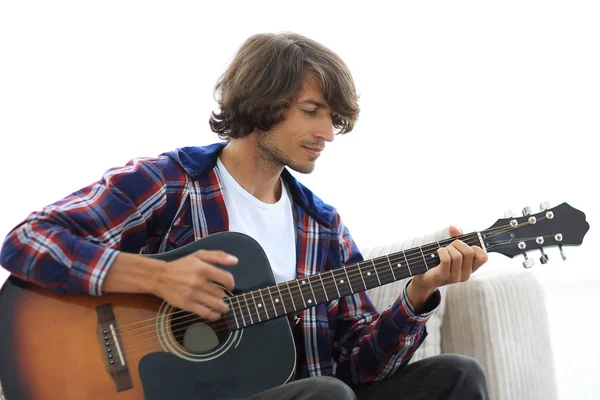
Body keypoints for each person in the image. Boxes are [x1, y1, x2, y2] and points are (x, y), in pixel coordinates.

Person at [0, 32, 489, 399]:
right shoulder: (169, 182)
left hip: (297, 394)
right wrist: (158, 276)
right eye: (313, 110)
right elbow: (26, 240)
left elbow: (356, 366)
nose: (328, 133)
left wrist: (420, 292)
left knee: (457, 375)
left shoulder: (322, 228)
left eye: (333, 119)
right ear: (262, 104)